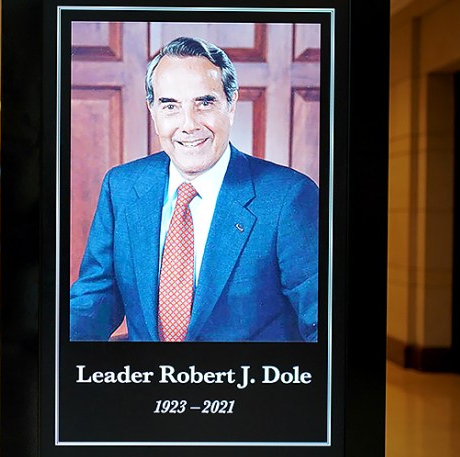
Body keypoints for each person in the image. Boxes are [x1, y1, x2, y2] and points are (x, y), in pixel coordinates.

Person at [69, 36, 318, 343]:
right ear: (152, 110)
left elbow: (323, 327)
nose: (189, 124)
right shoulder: (121, 187)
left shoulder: (289, 198)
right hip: (145, 386)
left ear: (230, 103)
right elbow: (95, 299)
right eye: (170, 105)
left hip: (244, 388)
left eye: (205, 102)